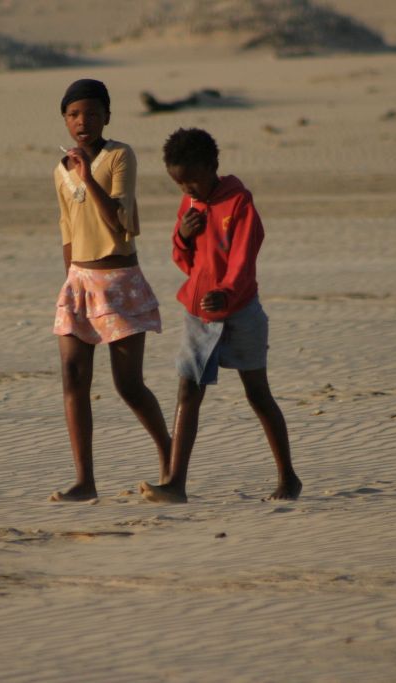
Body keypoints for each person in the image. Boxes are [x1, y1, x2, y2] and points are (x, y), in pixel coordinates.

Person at [140, 128, 302, 503]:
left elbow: (245, 259)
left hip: (242, 312)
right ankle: (176, 484)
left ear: (214, 167)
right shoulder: (189, 205)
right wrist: (182, 234)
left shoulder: (240, 203)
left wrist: (226, 291)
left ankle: (288, 478)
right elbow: (184, 261)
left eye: (193, 180)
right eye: (179, 184)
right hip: (199, 315)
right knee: (188, 390)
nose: (188, 190)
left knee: (258, 394)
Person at [50, 79, 171, 502]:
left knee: (128, 384)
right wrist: (69, 280)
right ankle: (85, 481)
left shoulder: (120, 155)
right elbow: (68, 230)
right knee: (72, 377)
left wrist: (87, 175)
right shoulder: (59, 169)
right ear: (65, 120)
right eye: (73, 115)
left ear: (106, 116)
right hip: (79, 284)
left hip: (119, 283)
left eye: (91, 113)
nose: (82, 122)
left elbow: (121, 220)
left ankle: (172, 462)